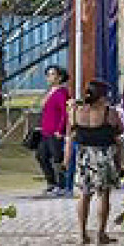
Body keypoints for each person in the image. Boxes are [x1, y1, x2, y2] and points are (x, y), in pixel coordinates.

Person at [68, 79, 124, 245]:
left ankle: (82, 234)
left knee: (84, 195)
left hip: (84, 155)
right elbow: (120, 130)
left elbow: (71, 131)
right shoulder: (109, 112)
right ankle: (101, 233)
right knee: (103, 195)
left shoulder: (75, 111)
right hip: (103, 155)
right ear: (101, 96)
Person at [34, 64, 72, 196]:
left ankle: (61, 186)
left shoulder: (61, 92)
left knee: (57, 159)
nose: (49, 77)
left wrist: (60, 130)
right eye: (48, 74)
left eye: (52, 74)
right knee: (41, 156)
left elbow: (65, 113)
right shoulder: (50, 91)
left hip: (55, 132)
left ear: (60, 77)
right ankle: (51, 183)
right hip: (45, 131)